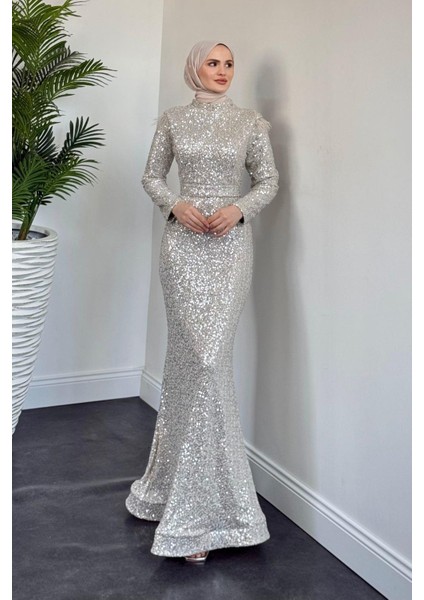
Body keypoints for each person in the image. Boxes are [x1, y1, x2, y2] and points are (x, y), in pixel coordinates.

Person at [125, 40, 279, 563]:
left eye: (229, 63)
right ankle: (174, 496)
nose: (223, 71)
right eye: (213, 63)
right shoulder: (172, 120)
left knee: (212, 362)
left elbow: (268, 180)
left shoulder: (250, 123)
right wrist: (176, 204)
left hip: (230, 249)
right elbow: (150, 175)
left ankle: (207, 515)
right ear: (195, 68)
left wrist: (239, 209)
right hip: (182, 248)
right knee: (189, 363)